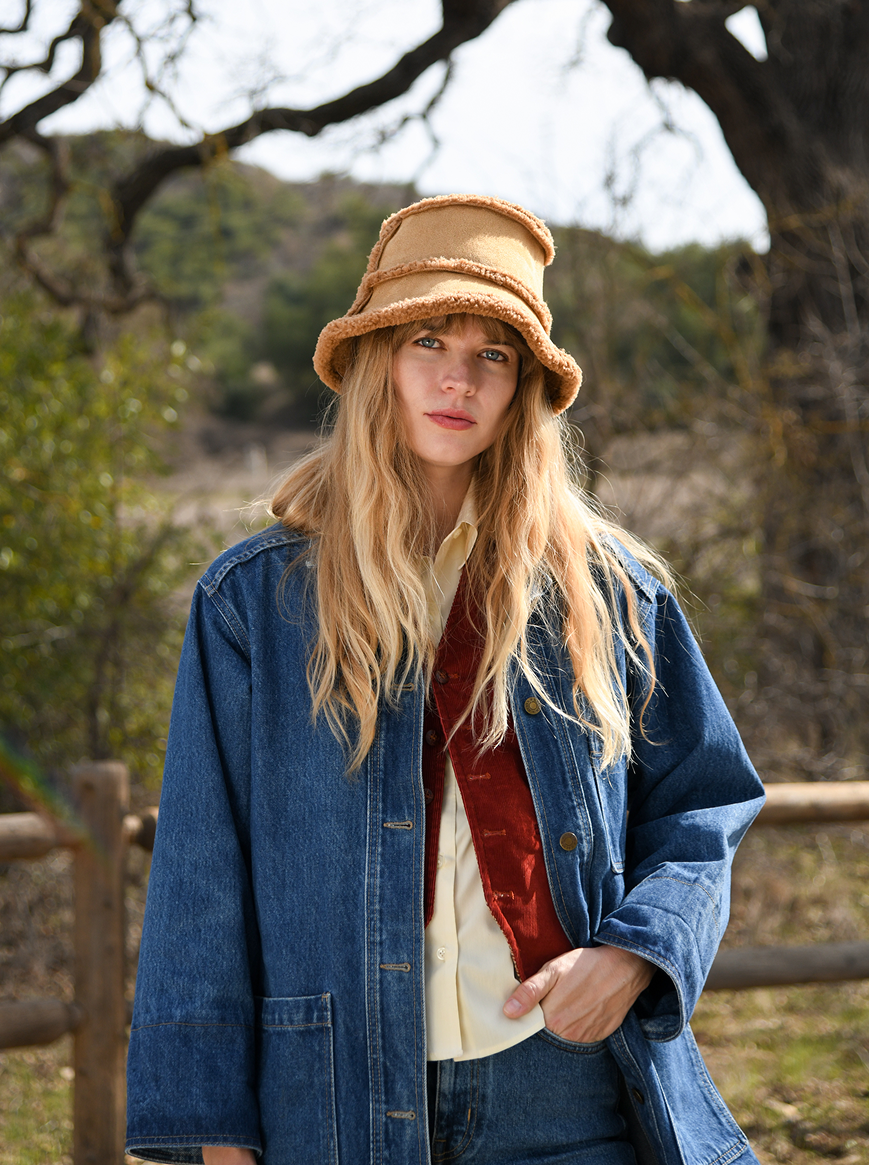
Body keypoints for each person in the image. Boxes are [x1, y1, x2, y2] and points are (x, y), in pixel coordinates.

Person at [125, 194, 765, 1165]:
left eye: (492, 354)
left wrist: (635, 953)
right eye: (428, 340)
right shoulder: (252, 602)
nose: (458, 378)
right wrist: (217, 1136)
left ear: (523, 390)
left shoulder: (608, 593)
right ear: (376, 360)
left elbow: (704, 803)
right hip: (329, 1098)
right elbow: (201, 883)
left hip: (565, 1093)